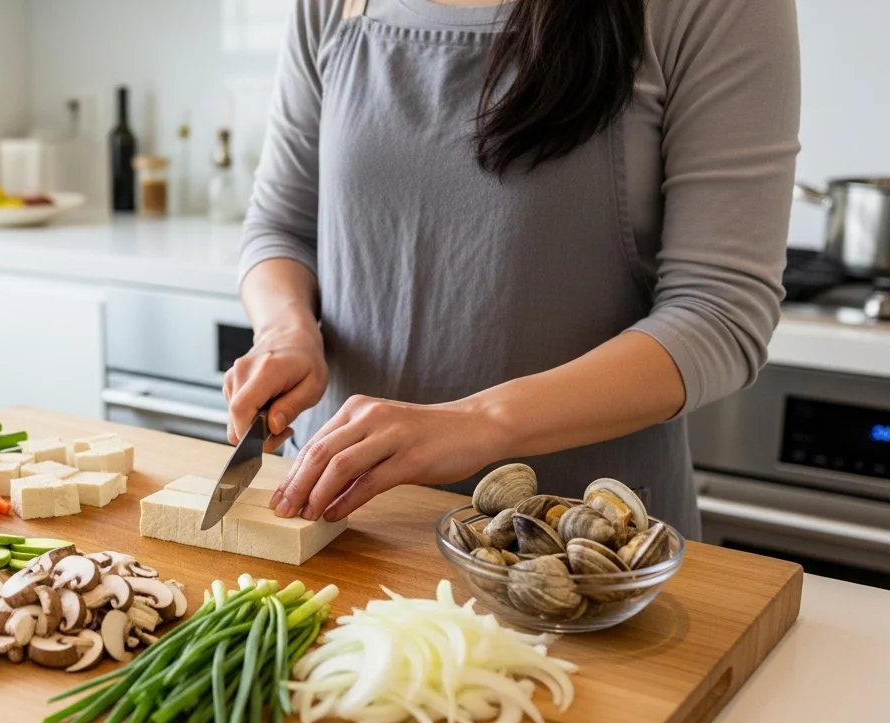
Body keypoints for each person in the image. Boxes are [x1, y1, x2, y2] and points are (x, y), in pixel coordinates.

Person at [224, 0, 800, 537]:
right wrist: (285, 333)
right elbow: (281, 227)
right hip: (342, 520)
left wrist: (477, 422)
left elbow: (719, 311)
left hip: (581, 547)